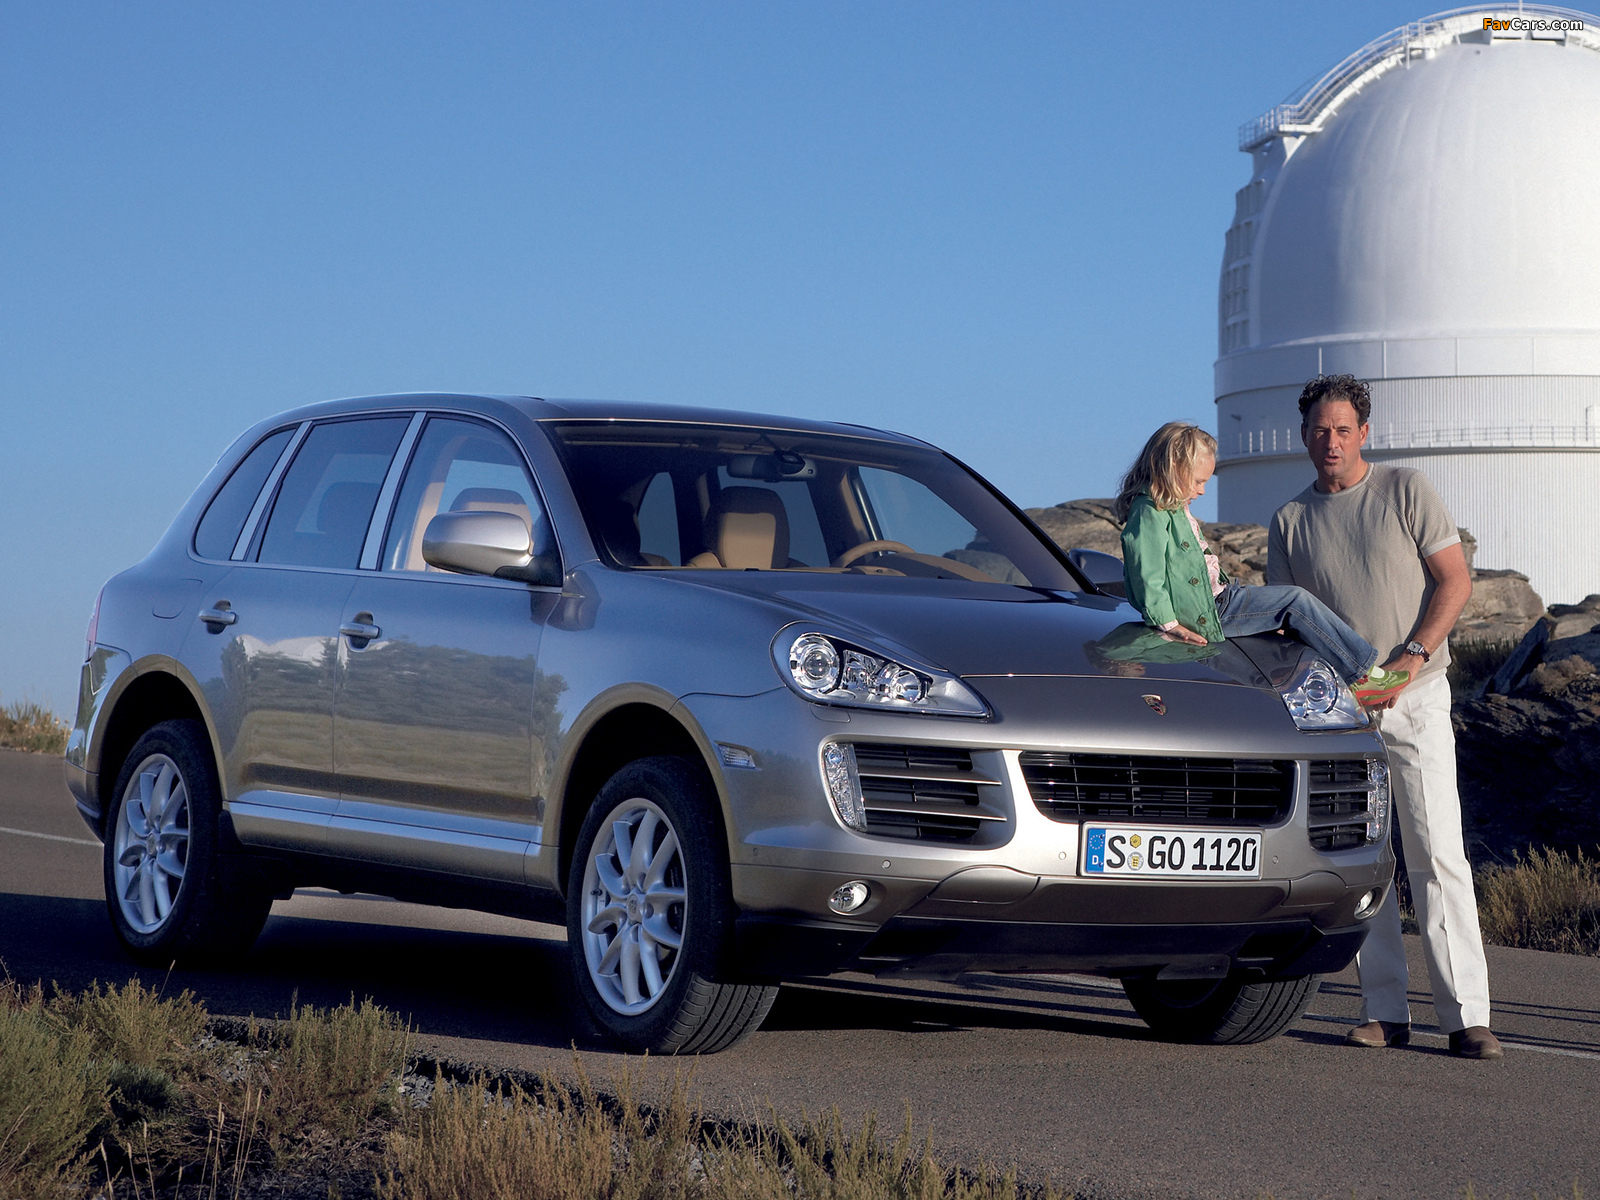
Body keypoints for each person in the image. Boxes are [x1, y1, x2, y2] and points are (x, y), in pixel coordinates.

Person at [1268, 374, 1501, 1060]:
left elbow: (1455, 580)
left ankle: (1467, 1018)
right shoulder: (1289, 521)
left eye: (1343, 429)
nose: (1331, 441)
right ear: (1303, 435)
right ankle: (1384, 1012)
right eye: (1319, 430)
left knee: (1437, 854)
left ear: (1364, 433)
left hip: (1418, 696)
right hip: (1343, 713)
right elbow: (1287, 627)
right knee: (1366, 859)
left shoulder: (1406, 490)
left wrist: (1409, 658)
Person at [1115, 421, 1408, 706]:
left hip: (1219, 599)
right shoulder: (1149, 511)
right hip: (1212, 609)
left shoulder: (1170, 507)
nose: (1202, 491)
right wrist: (1168, 623)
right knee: (1295, 602)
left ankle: (1333, 679)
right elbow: (1146, 572)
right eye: (1198, 481)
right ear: (1171, 469)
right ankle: (1362, 675)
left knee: (1283, 624)